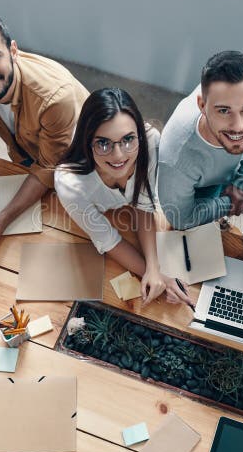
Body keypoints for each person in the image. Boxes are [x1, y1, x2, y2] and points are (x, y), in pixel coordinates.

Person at [0, 9, 89, 244]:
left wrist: (4, 217)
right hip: (28, 154)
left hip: (81, 159)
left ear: (13, 51)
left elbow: (49, 167)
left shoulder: (55, 96)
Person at [54, 88, 193, 306]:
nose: (118, 156)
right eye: (103, 143)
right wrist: (155, 277)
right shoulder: (70, 184)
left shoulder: (150, 141)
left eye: (128, 139)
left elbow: (143, 205)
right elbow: (109, 240)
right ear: (87, 142)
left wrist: (156, 269)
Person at [158, 51, 243, 230]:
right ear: (202, 106)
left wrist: (242, 182)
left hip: (229, 168)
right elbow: (182, 218)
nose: (239, 126)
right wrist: (229, 203)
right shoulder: (176, 161)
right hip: (200, 183)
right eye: (223, 110)